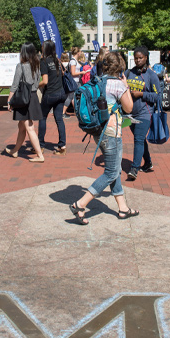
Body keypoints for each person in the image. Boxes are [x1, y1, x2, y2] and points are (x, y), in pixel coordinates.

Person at [69, 52, 138, 224]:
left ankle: (122, 208)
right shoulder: (117, 85)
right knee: (111, 172)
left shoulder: (97, 81)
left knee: (114, 169)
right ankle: (80, 204)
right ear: (119, 67)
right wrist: (126, 86)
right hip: (112, 132)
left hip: (98, 131)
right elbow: (129, 108)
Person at [125, 46, 161, 181]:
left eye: (140, 58)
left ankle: (134, 168)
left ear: (146, 58)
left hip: (145, 112)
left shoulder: (151, 75)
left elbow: (157, 96)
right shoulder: (129, 73)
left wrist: (141, 94)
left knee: (138, 139)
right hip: (130, 112)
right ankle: (148, 162)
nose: (138, 60)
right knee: (140, 138)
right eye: (136, 58)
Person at [5, 42, 44, 162]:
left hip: (23, 98)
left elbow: (15, 85)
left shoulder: (21, 65)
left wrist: (9, 100)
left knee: (28, 126)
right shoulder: (37, 65)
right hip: (32, 96)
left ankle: (39, 155)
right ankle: (15, 150)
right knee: (21, 126)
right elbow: (37, 83)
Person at [38, 40, 67, 155]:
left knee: (42, 117)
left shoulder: (44, 61)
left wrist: (35, 85)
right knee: (59, 119)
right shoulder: (57, 61)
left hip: (50, 93)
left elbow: (45, 81)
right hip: (61, 93)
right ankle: (62, 146)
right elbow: (63, 74)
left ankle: (40, 145)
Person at [61, 52, 75, 119]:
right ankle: (63, 112)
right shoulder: (69, 64)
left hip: (63, 82)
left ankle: (76, 111)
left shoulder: (60, 64)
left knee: (70, 97)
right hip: (69, 82)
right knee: (70, 97)